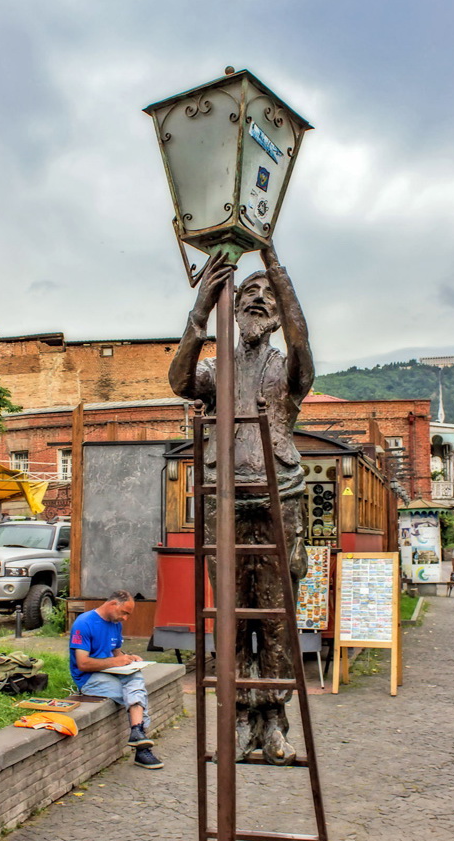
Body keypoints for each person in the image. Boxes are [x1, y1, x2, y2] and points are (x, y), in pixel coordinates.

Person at [168, 243, 314, 766]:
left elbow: (303, 342)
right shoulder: (218, 369)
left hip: (280, 497)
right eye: (248, 293)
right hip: (223, 498)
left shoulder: (289, 366)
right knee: (230, 615)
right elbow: (180, 381)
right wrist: (201, 308)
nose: (257, 300)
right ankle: (234, 717)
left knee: (275, 617)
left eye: (266, 296)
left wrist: (276, 265)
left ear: (279, 313)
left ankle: (273, 720)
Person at [69, 589, 164, 770]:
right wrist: (115, 661)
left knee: (136, 677)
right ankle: (141, 749)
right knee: (134, 694)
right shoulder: (84, 623)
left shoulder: (115, 623)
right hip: (90, 678)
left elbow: (116, 653)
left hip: (111, 671)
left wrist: (129, 658)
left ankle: (137, 732)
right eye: (124, 613)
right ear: (113, 605)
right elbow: (83, 664)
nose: (125, 618)